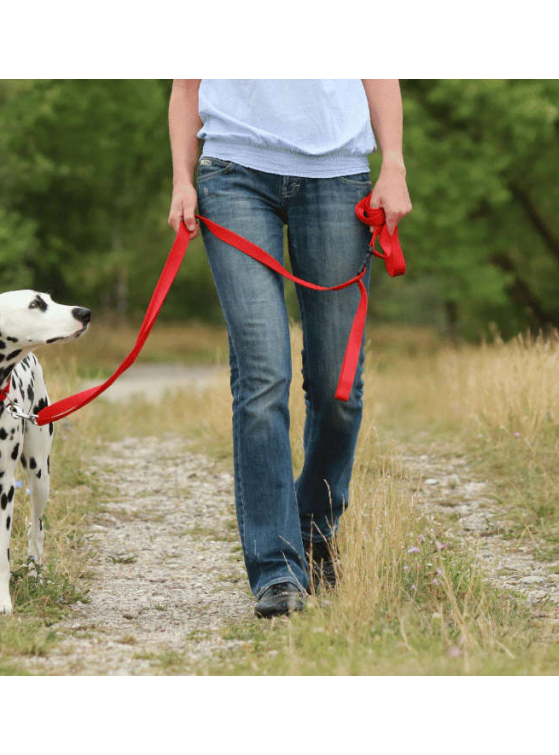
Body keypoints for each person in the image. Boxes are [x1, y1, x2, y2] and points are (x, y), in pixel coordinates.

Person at [167, 79, 411, 618]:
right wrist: (183, 180)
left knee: (336, 389)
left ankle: (313, 528)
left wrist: (393, 163)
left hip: (337, 177)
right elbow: (187, 85)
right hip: (233, 176)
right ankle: (277, 570)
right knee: (262, 379)